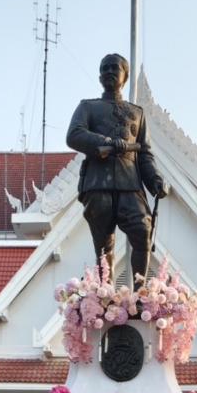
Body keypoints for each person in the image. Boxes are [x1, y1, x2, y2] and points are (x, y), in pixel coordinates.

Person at [67, 52, 167, 282]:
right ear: (100, 76)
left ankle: (141, 292)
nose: (110, 72)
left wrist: (154, 181)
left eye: (115, 68)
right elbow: (74, 135)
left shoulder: (137, 113)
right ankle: (105, 295)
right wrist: (108, 143)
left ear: (125, 76)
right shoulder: (88, 107)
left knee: (142, 231)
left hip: (129, 183)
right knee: (104, 246)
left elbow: (144, 154)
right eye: (105, 68)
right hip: (97, 184)